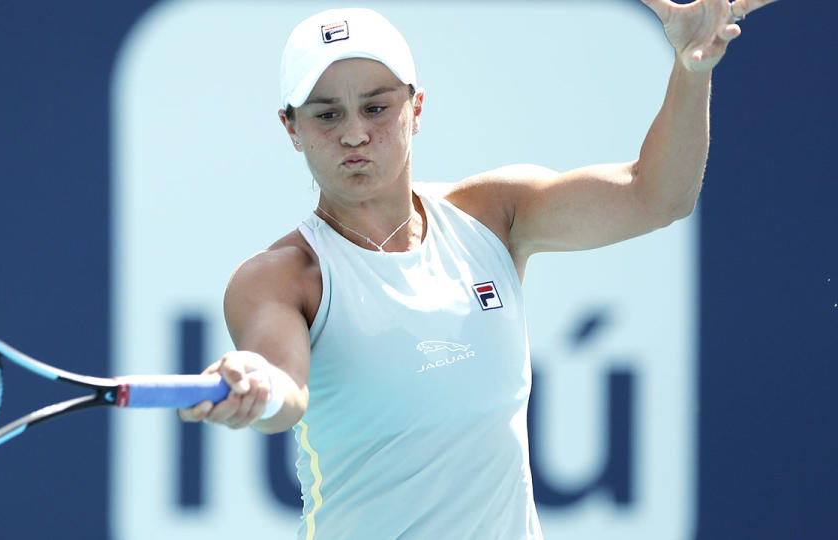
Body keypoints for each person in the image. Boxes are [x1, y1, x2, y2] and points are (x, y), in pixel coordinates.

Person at [178, 1, 778, 538]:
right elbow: (285, 391)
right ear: (292, 128)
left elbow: (657, 196)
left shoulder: (495, 215)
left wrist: (692, 72)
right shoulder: (281, 277)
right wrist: (256, 386)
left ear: (417, 107)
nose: (356, 133)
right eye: (327, 115)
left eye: (377, 107)